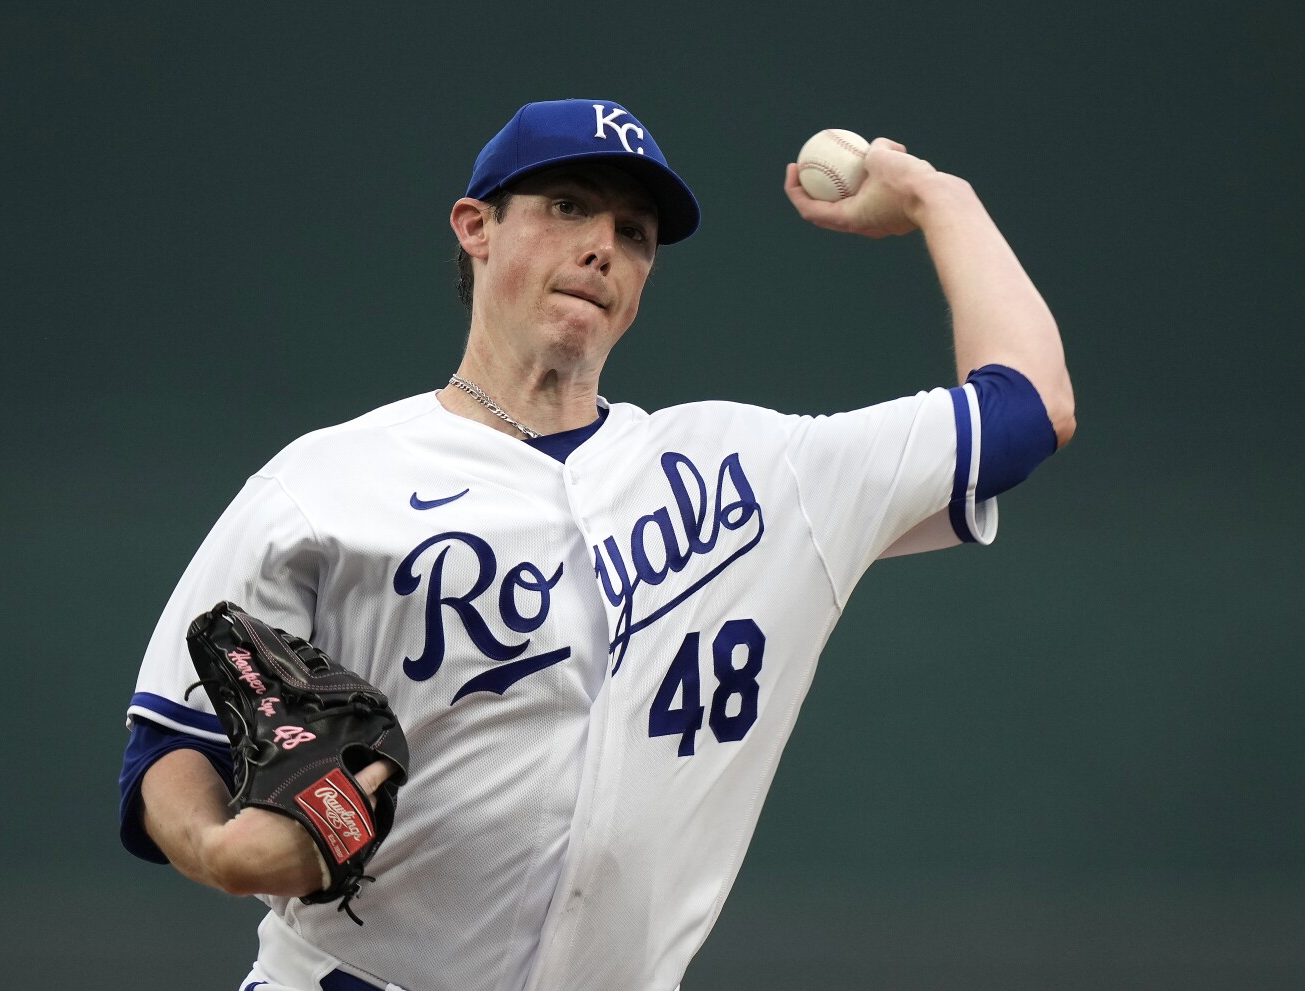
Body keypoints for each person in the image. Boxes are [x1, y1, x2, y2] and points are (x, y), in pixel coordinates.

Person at [118, 97, 1075, 991]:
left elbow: (1029, 409)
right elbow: (170, 735)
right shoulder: (322, 482)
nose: (601, 248)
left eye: (633, 233)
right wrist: (211, 847)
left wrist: (941, 199)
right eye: (567, 206)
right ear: (475, 226)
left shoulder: (759, 471)